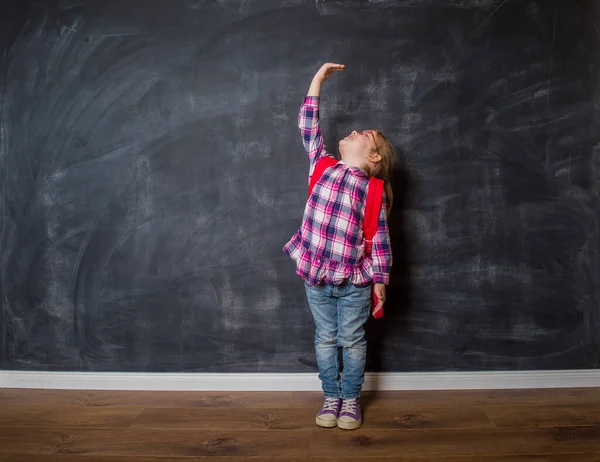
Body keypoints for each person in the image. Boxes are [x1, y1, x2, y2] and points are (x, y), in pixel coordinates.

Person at [283, 63, 396, 430]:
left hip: (354, 283)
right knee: (325, 338)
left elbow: (378, 240)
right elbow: (308, 126)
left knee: (352, 339)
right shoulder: (322, 165)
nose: (353, 131)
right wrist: (316, 80)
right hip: (316, 277)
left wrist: (380, 281)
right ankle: (330, 395)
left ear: (374, 156)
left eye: (365, 134)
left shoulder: (372, 189)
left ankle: (350, 400)